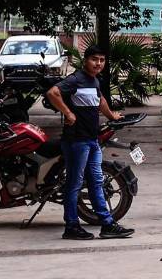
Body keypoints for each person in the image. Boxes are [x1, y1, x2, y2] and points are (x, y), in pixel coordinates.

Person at [45, 46, 133, 241]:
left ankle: (107, 224)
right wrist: (68, 113)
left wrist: (111, 115)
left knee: (96, 182)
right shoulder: (75, 79)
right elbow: (52, 93)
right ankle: (71, 226)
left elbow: (100, 99)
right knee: (74, 183)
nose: (98, 63)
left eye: (102, 60)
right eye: (94, 59)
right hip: (77, 141)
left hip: (92, 140)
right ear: (86, 60)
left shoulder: (94, 80)